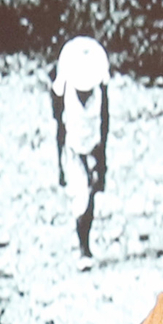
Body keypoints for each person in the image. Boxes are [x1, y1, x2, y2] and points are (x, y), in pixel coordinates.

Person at [53, 32, 113, 256]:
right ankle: (83, 248)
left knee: (92, 194)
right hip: (73, 149)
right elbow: (59, 127)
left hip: (94, 148)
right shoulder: (63, 91)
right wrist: (60, 165)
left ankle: (86, 242)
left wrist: (103, 161)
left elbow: (105, 122)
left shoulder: (100, 90)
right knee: (81, 197)